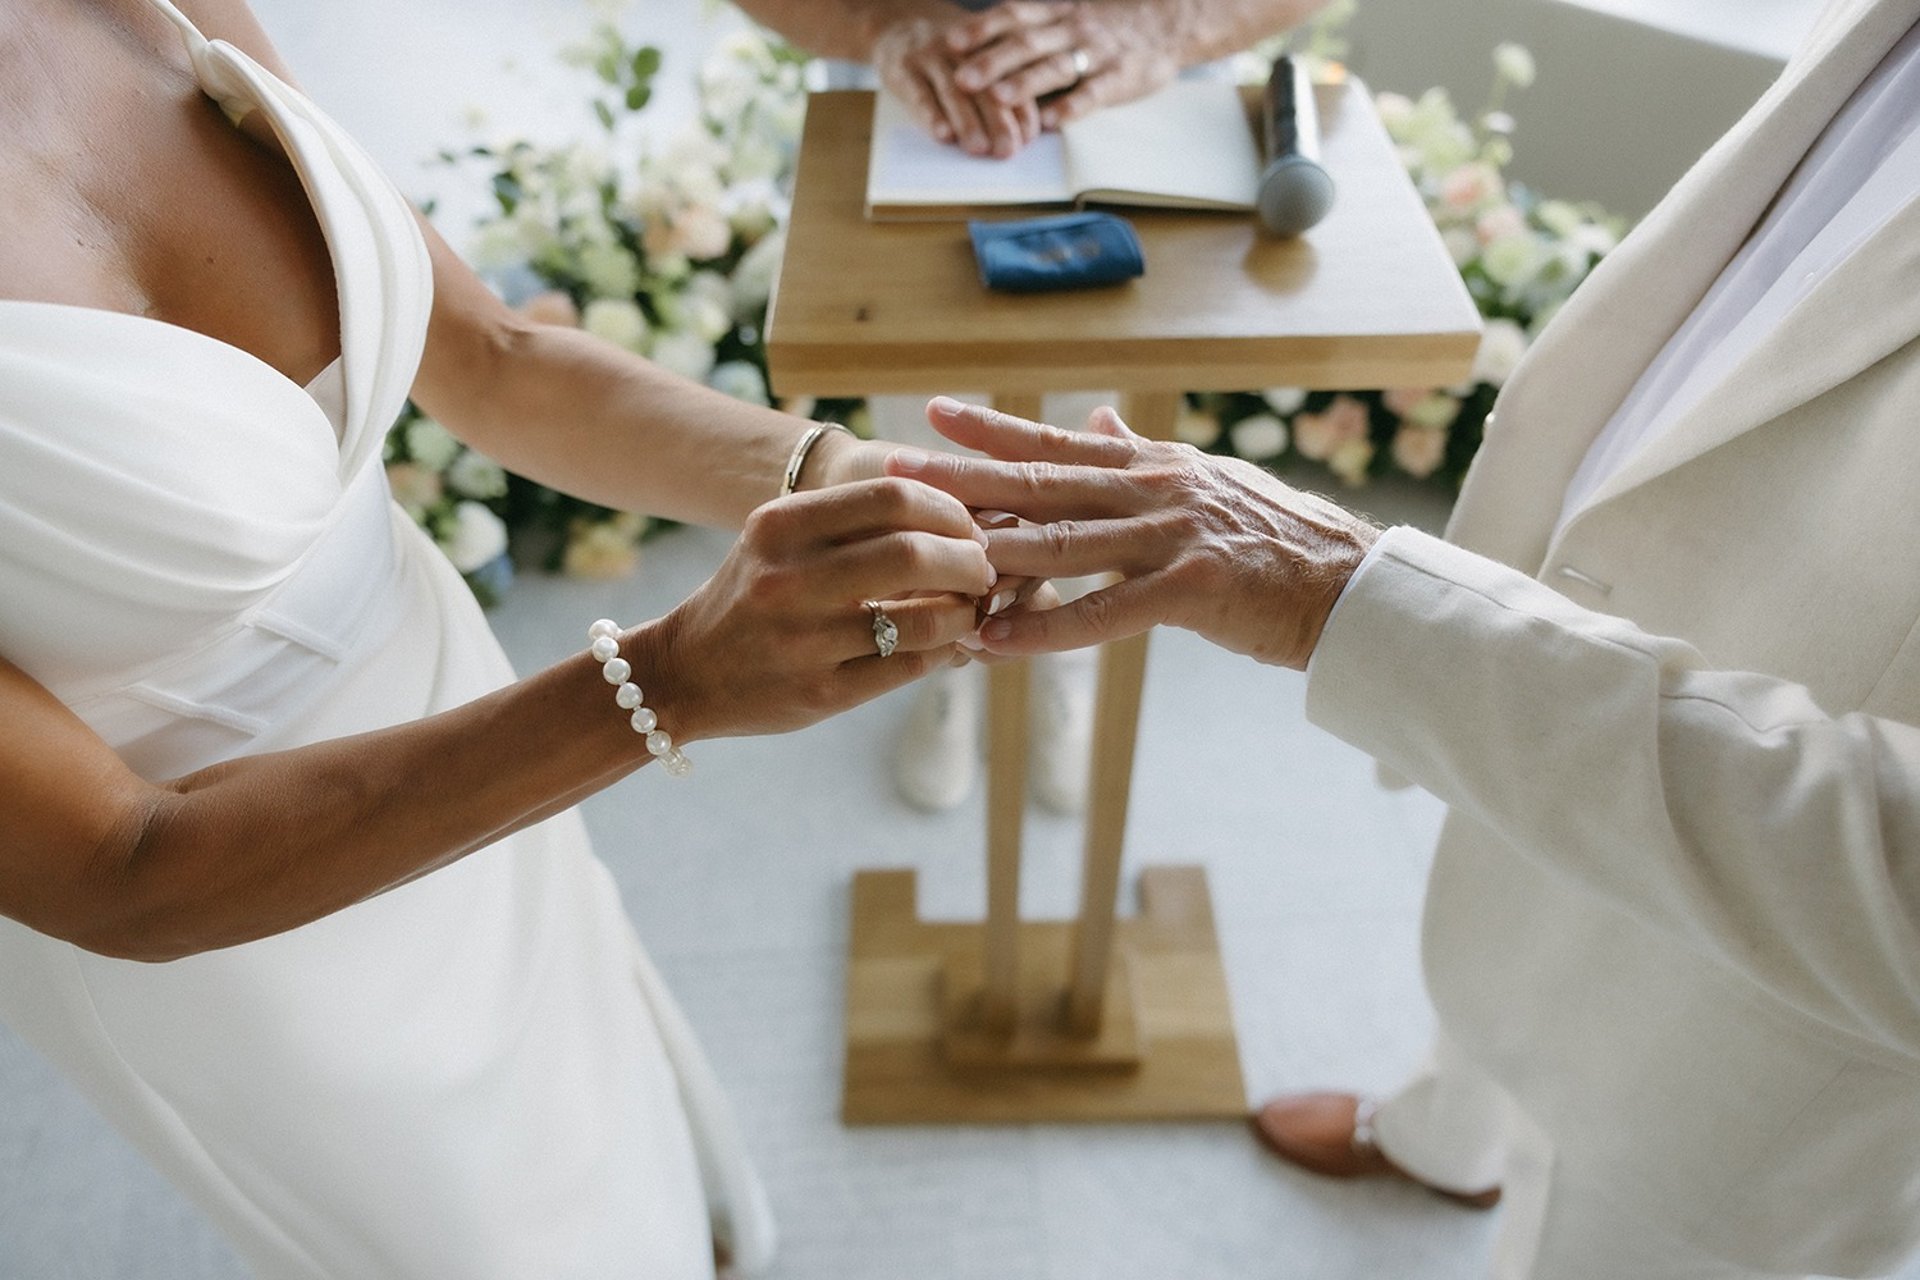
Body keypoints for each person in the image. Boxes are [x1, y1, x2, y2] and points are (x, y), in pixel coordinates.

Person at [890, 0, 1920, 1272]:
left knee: (1632, 1175)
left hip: (1763, 1059)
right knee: (1515, 916)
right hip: (1617, 618)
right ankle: (1444, 1132)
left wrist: (1350, 596)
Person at [0, 1, 993, 1275]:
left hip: (461, 702)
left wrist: (845, 471)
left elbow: (498, 357)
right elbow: (124, 862)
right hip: (242, 911)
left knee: (598, 1108)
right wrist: (670, 681)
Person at [734, 0, 1329, 158]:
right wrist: (877, 20)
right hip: (907, 93)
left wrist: (1163, 24)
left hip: (1165, 79)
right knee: (926, 430)